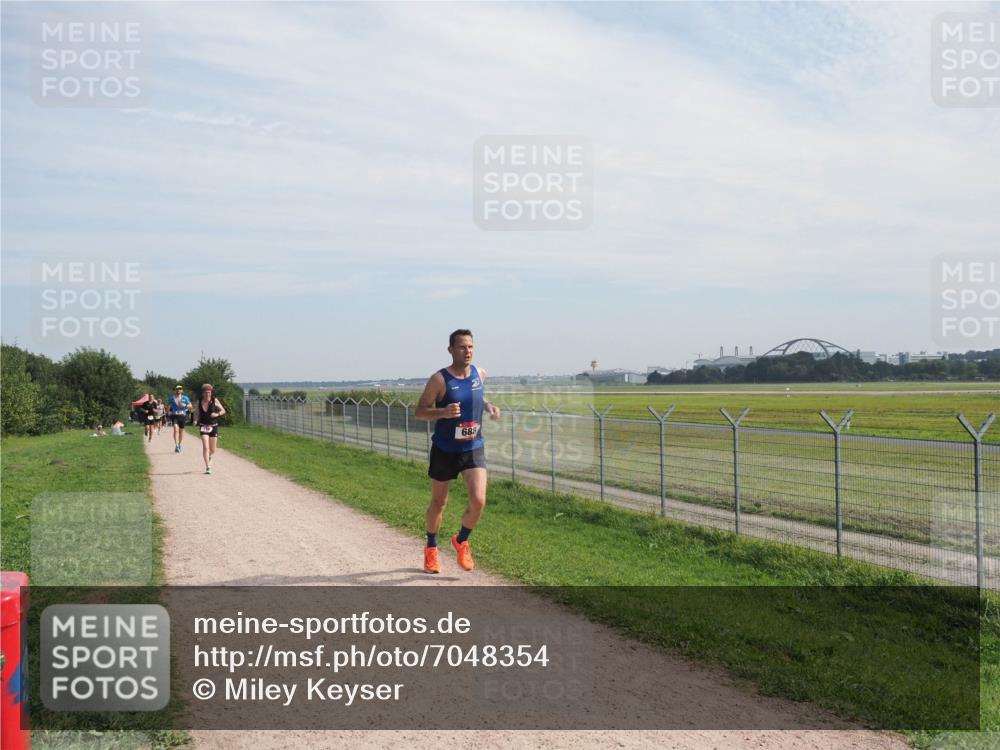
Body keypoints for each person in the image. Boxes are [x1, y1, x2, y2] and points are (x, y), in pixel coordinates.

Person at [414, 329, 499, 574]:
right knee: (439, 503)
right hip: (445, 449)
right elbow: (419, 411)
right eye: (462, 347)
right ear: (451, 350)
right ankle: (431, 548)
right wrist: (442, 412)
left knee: (479, 500)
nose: (467, 351)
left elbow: (477, 398)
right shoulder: (439, 380)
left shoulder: (479, 374)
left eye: (471, 346)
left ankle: (461, 541)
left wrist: (490, 406)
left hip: (473, 447)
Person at [194, 383, 226, 475]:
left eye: (209, 392)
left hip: (213, 426)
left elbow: (223, 410)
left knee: (213, 449)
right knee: (205, 447)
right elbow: (196, 413)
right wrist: (195, 420)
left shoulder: (214, 400)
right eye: (206, 392)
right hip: (203, 426)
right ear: (203, 393)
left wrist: (217, 414)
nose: (208, 394)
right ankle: (208, 467)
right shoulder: (199, 402)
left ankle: (210, 456)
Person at [167, 384, 193, 453]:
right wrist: (168, 412)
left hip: (182, 416)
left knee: (181, 431)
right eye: (177, 389)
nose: (178, 390)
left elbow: (190, 405)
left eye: (180, 389)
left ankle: (179, 444)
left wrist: (186, 405)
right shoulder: (172, 398)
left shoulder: (185, 398)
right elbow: (169, 406)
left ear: (182, 390)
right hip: (174, 415)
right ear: (175, 390)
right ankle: (176, 445)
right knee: (176, 430)